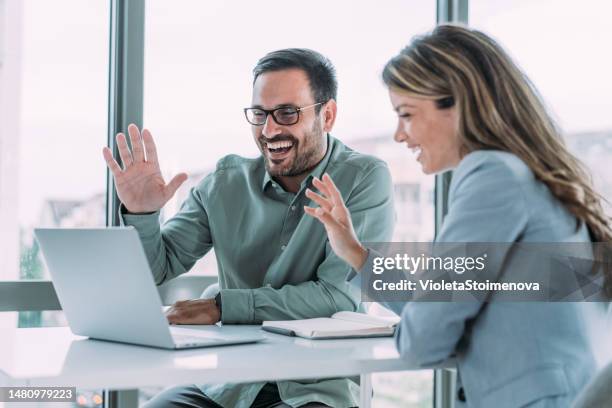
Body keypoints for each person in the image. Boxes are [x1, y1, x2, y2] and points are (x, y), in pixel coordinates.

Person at [305, 25, 612, 408]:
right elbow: (446, 301)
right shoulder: (528, 175)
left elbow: (422, 342)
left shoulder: (493, 177)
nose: (400, 135)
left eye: (407, 114)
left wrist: (427, 324)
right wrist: (356, 254)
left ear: (459, 104)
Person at [102, 48, 394, 408]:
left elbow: (338, 298)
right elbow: (158, 268)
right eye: (259, 114)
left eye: (287, 113)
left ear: (327, 115)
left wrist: (223, 307)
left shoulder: (364, 177)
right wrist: (142, 213)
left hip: (316, 388)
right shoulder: (226, 181)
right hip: (228, 385)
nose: (269, 130)